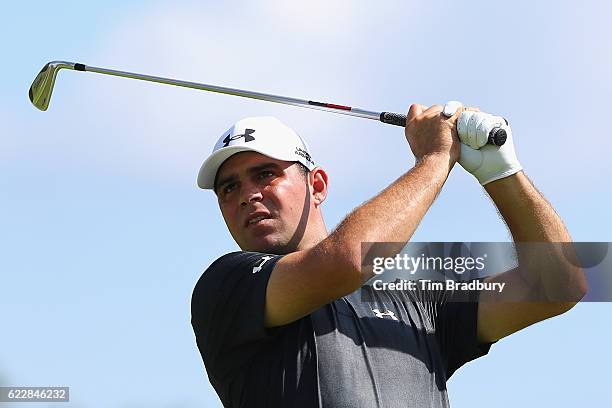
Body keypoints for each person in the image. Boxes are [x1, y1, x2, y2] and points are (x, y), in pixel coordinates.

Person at [190, 105, 587, 407]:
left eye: (265, 174)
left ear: (318, 184)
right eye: (228, 188)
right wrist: (435, 160)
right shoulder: (227, 284)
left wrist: (501, 172)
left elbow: (559, 285)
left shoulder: (413, 290)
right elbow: (346, 261)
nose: (247, 195)